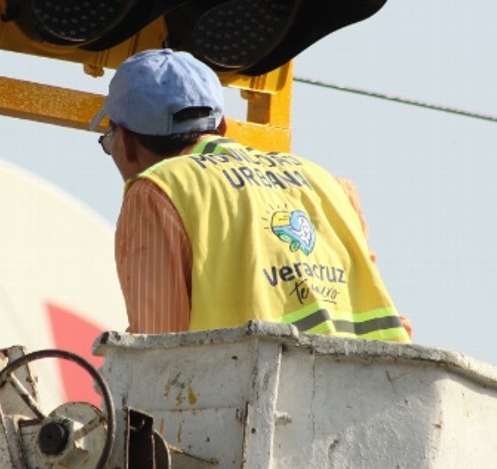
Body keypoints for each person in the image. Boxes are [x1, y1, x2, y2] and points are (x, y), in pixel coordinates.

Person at [91, 49, 410, 342]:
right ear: (223, 126)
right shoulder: (329, 186)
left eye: (108, 140)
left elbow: (157, 349)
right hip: (383, 392)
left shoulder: (156, 191)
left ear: (128, 141)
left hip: (248, 398)